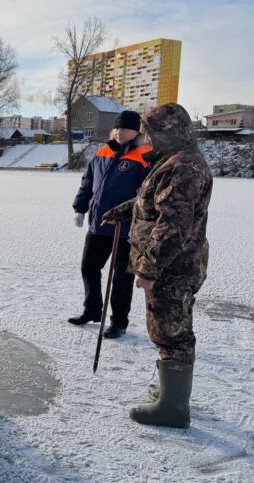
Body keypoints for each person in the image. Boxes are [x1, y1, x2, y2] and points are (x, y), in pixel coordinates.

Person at [103, 103, 212, 428]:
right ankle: (170, 394)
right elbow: (155, 202)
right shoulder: (174, 161)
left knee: (171, 331)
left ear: (171, 133)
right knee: (168, 328)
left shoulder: (184, 167)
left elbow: (174, 223)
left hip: (172, 267)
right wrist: (127, 210)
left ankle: (174, 408)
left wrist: (149, 269)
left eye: (154, 132)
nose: (148, 139)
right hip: (174, 265)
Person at [69, 110, 152, 339]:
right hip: (98, 225)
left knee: (121, 277)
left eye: (124, 128)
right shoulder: (103, 152)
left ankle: (119, 322)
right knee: (89, 268)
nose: (119, 132)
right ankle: (92, 310)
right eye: (116, 128)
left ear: (136, 131)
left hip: (125, 229)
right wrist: (80, 207)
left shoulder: (145, 155)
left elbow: (148, 194)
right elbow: (88, 182)